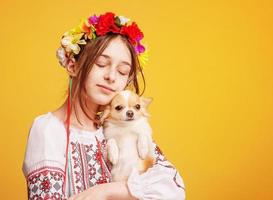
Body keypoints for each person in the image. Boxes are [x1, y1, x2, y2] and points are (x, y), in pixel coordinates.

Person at [22, 12, 186, 200]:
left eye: (122, 71)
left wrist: (105, 191)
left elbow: (173, 187)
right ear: (72, 65)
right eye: (101, 64)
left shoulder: (119, 125)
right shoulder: (49, 129)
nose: (112, 77)